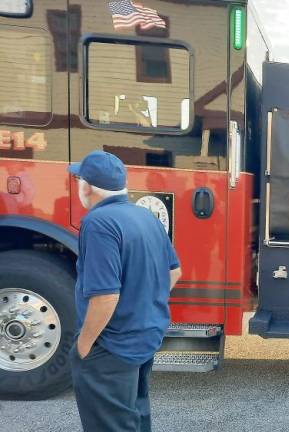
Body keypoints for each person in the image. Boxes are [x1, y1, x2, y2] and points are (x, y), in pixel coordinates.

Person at [67, 151, 182, 432]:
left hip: (111, 345)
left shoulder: (98, 224)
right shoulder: (145, 216)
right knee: (135, 416)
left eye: (79, 179)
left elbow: (106, 296)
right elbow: (174, 272)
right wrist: (141, 308)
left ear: (87, 186)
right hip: (144, 337)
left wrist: (84, 345)